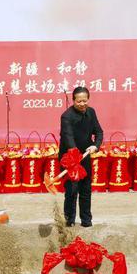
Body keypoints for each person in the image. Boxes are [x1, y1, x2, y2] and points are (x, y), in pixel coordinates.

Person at [59, 87, 103, 227]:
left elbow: (99, 132)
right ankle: (69, 221)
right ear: (73, 101)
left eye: (85, 100)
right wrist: (73, 154)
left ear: (88, 100)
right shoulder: (67, 116)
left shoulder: (91, 112)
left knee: (85, 188)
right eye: (79, 101)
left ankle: (86, 220)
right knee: (72, 189)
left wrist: (95, 145)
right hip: (69, 158)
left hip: (85, 156)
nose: (82, 104)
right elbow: (68, 137)